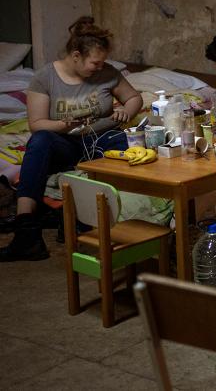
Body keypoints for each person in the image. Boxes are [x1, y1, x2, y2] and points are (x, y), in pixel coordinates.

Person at [0, 17, 142, 262]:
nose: (99, 67)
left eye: (102, 62)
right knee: (40, 142)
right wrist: (63, 125)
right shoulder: (45, 78)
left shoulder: (107, 72)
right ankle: (26, 234)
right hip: (65, 142)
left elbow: (134, 98)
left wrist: (126, 112)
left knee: (137, 143)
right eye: (94, 63)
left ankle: (108, 221)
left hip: (102, 139)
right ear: (76, 55)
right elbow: (36, 125)